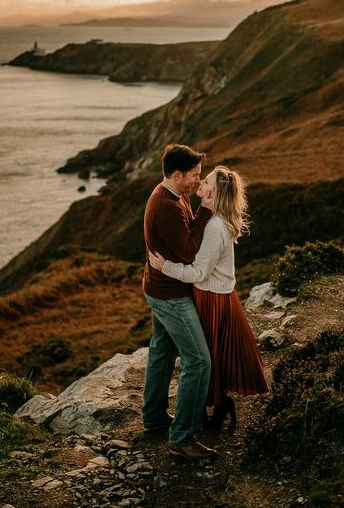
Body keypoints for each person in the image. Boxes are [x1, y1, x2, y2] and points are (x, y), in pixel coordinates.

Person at [148, 165, 268, 429]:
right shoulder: (214, 217)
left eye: (207, 180)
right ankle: (214, 406)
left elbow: (200, 272)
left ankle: (205, 411)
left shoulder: (215, 226)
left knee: (205, 358)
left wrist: (164, 267)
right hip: (216, 296)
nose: (200, 181)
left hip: (211, 297)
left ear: (213, 192)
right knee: (212, 355)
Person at [142, 143, 217, 460]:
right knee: (199, 362)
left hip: (160, 288)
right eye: (195, 176)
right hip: (170, 295)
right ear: (176, 174)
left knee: (161, 351)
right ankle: (182, 439)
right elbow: (188, 250)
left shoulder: (175, 194)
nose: (199, 182)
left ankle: (154, 417)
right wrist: (207, 212)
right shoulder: (168, 207)